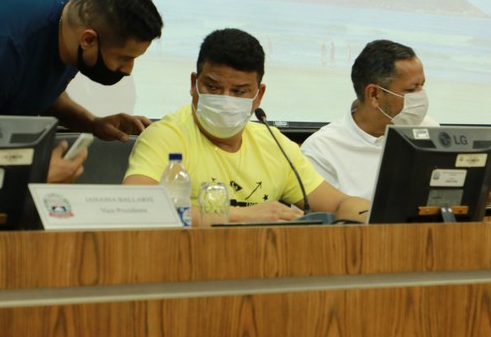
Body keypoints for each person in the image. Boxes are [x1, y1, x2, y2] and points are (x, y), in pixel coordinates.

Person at [123, 28, 369, 224]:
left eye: (239, 91)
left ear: (258, 96)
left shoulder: (275, 145)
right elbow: (136, 207)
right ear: (194, 84)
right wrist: (239, 216)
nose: (225, 98)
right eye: (213, 87)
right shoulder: (165, 136)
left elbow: (339, 204)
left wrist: (372, 213)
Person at [0, 0, 164, 183]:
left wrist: (93, 123)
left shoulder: (77, 15)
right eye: (124, 58)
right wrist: (33, 177)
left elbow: (37, 85)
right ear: (88, 39)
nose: (129, 70)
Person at [301, 39, 437, 199]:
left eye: (422, 86)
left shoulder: (430, 130)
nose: (421, 96)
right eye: (411, 89)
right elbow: (318, 214)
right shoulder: (321, 151)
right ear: (374, 94)